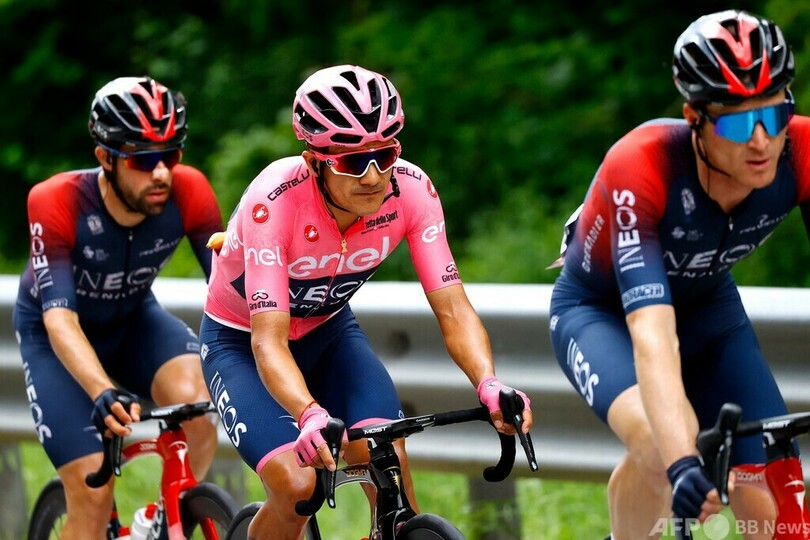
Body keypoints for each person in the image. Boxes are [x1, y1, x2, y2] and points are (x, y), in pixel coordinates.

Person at [200, 64, 533, 539]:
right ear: (314, 162)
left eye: (385, 155)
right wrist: (308, 413)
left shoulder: (412, 190)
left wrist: (488, 382)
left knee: (388, 464)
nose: (373, 176)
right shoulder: (273, 202)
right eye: (352, 162)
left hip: (329, 332)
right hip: (241, 344)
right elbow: (268, 341)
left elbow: (453, 308)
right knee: (297, 487)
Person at [547, 10, 804, 540]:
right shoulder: (643, 165)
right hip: (602, 314)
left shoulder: (801, 151)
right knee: (661, 447)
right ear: (694, 118)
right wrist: (683, 462)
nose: (761, 141)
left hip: (708, 306)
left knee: (772, 487)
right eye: (738, 123)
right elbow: (652, 332)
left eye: (775, 114)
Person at [14, 76, 224, 539]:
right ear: (105, 157)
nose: (161, 173)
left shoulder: (190, 190)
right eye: (143, 159)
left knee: (198, 407)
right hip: (55, 339)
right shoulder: (57, 200)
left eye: (171, 155)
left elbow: (234, 292)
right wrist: (101, 390)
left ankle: (165, 523)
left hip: (133, 322)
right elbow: (59, 319)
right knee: (93, 494)